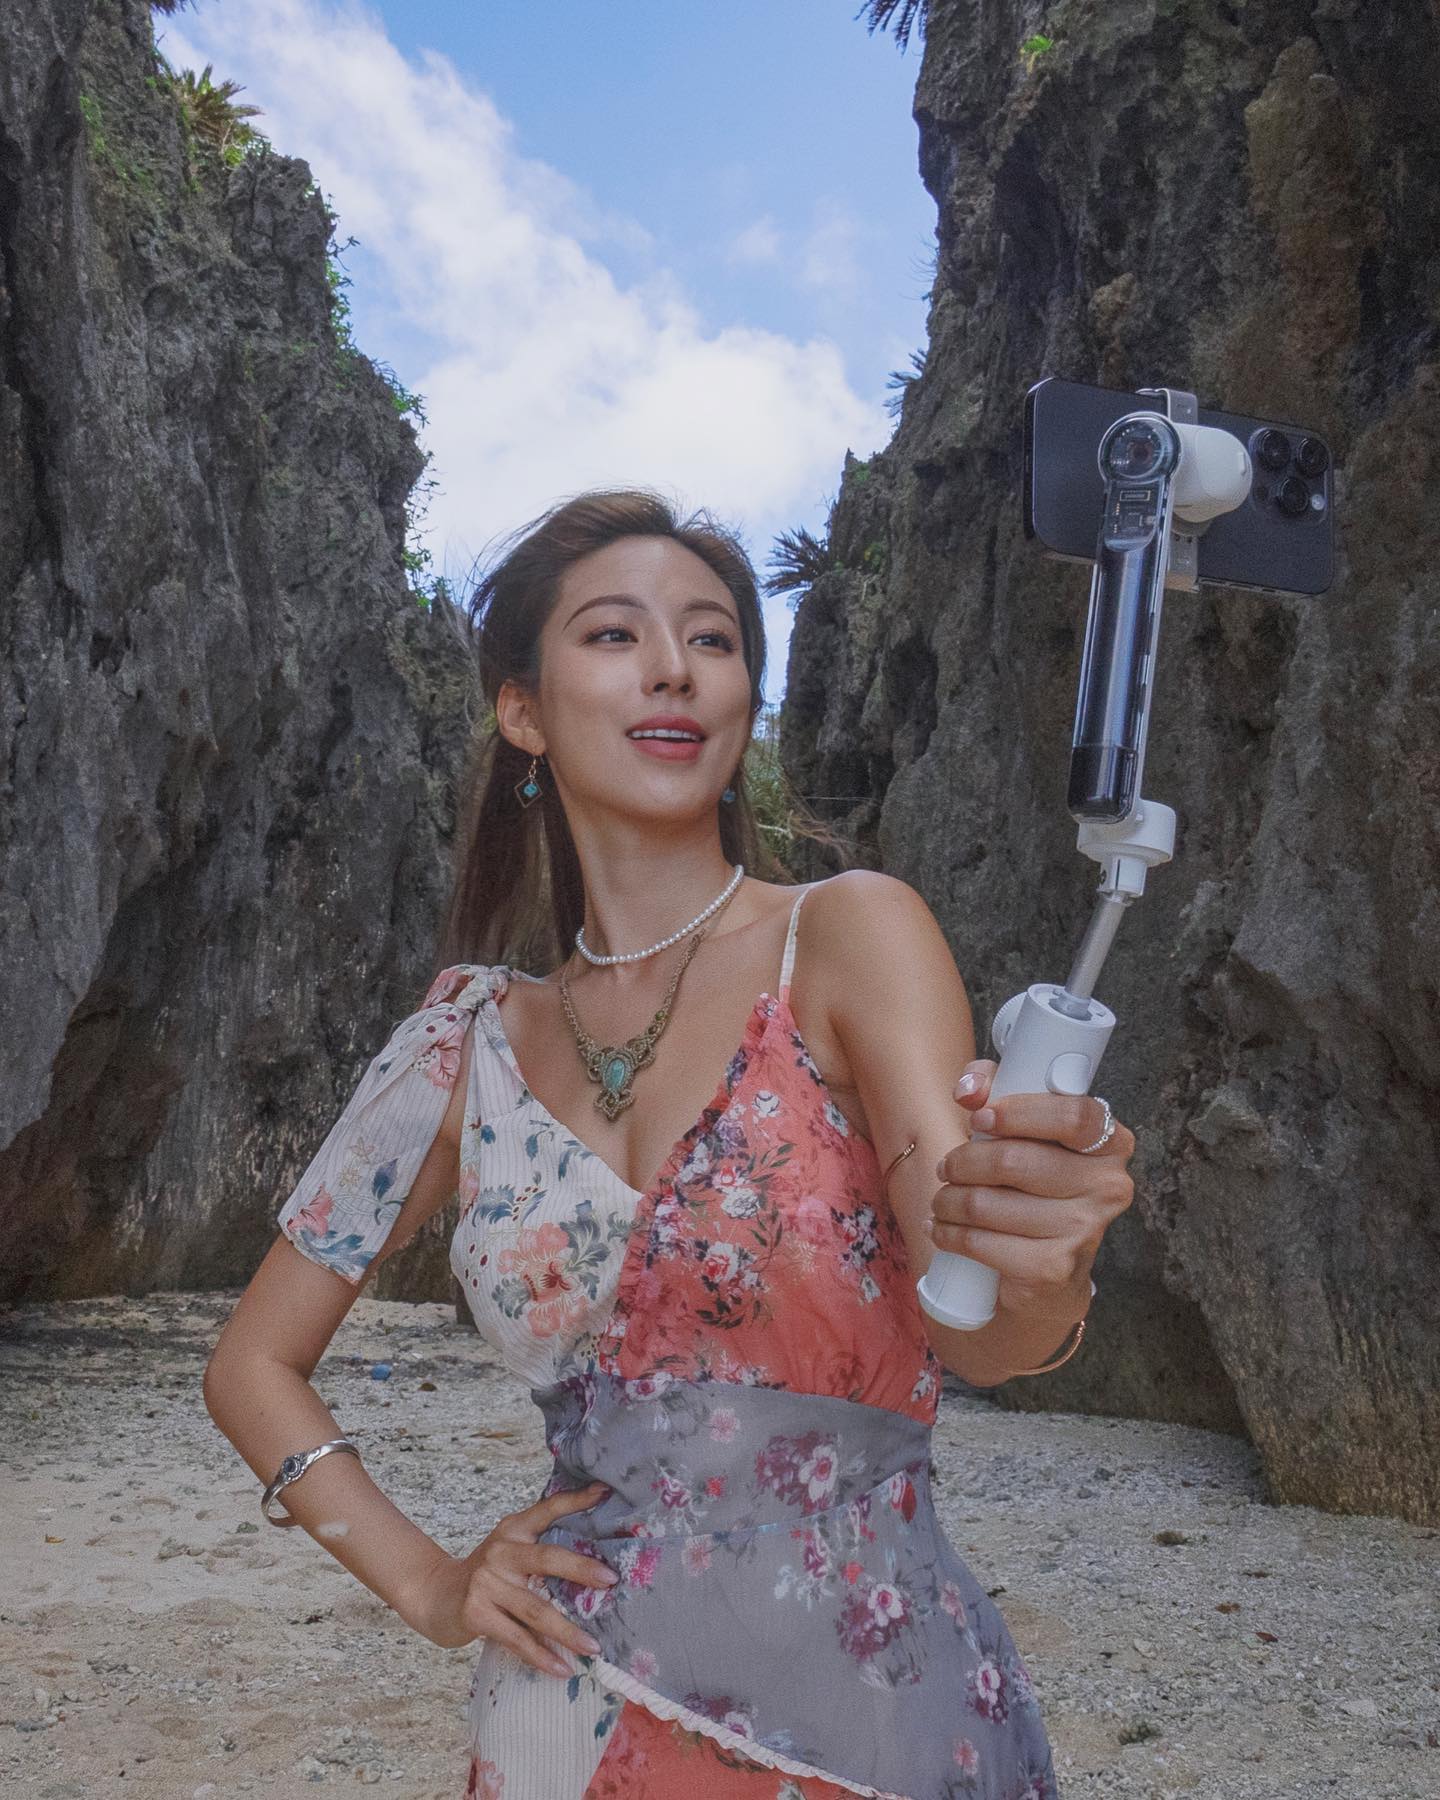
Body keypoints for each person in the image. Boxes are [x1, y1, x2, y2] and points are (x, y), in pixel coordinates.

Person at [203, 489, 1135, 1799]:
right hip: (560, 1717)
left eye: (712, 638)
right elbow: (252, 1364)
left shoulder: (850, 938)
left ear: (743, 698)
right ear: (523, 711)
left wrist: (1047, 1260)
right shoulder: (462, 1048)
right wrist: (428, 1582)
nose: (672, 667)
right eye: (613, 634)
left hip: (872, 1721)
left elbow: (980, 1330)